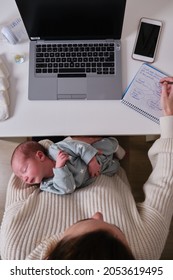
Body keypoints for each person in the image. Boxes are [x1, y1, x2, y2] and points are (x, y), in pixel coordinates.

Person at [0, 77, 173, 260]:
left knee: (41, 89)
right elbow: (166, 182)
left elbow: (21, 179)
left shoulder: (16, 253)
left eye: (88, 221)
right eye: (117, 227)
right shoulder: (143, 253)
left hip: (53, 150)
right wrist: (170, 117)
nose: (99, 214)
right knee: (112, 85)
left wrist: (63, 147)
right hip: (106, 156)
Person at [11, 136, 124, 195]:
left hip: (93, 154)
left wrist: (91, 161)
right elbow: (67, 188)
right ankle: (116, 160)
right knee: (115, 168)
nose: (25, 179)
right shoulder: (47, 185)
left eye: (24, 170)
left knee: (110, 144)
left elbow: (78, 146)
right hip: (95, 173)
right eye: (21, 177)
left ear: (40, 156)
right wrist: (59, 168)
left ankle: (118, 148)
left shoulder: (55, 150)